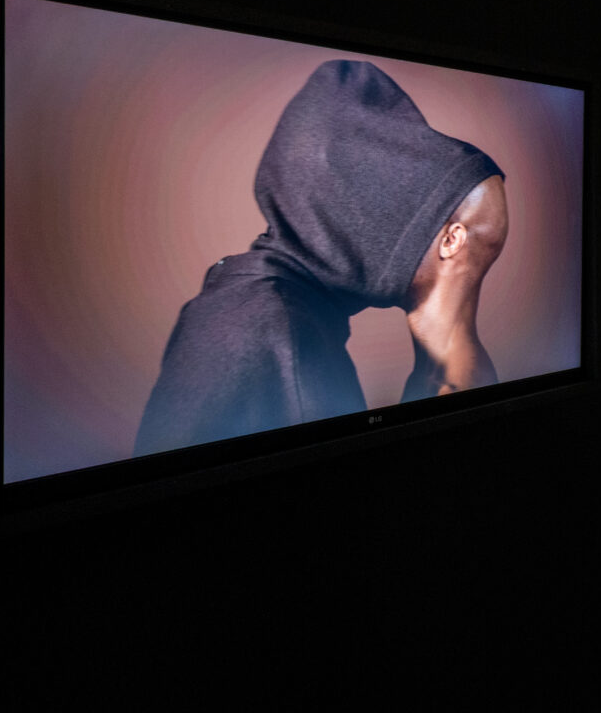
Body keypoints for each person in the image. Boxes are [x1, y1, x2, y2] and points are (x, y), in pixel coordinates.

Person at [135, 59, 508, 455]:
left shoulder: (243, 300)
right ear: (451, 241)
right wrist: (447, 342)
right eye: (478, 248)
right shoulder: (277, 330)